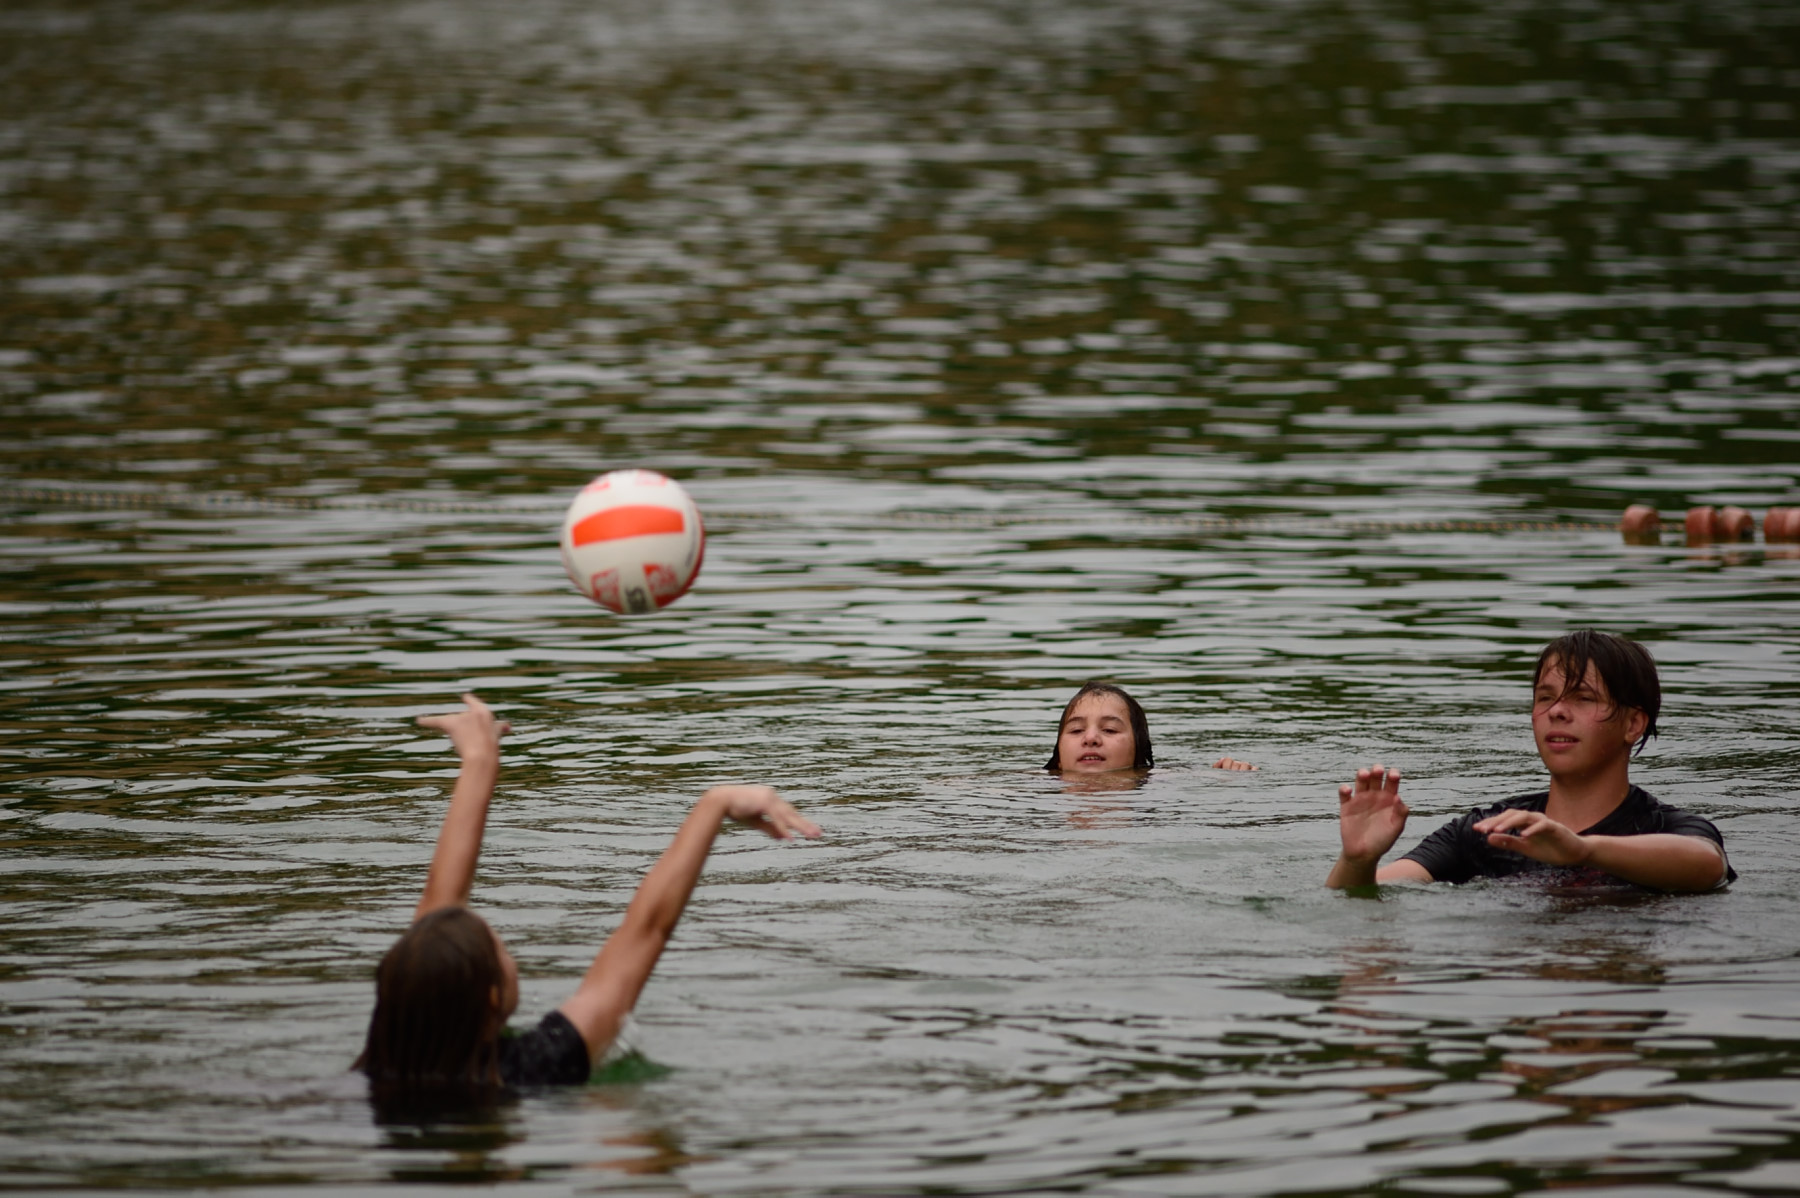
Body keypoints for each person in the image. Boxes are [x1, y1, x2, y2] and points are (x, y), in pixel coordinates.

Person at [357, 693, 821, 1100]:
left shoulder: (377, 1068)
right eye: (500, 946)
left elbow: (435, 928)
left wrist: (480, 761)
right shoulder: (533, 1070)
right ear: (493, 998)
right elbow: (647, 930)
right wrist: (714, 804)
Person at [1327, 630, 1732, 892]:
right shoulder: (1488, 831)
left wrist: (1582, 849)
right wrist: (1357, 861)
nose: (1557, 711)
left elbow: (1708, 866)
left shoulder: (1667, 828)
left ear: (1633, 724)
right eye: (1545, 697)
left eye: (1583, 698)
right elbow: (1352, 900)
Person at [1046, 681, 1255, 774]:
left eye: (1109, 730)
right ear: (1059, 759)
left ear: (1138, 750)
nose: (1090, 738)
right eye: (1076, 730)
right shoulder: (1033, 785)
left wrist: (1229, 773)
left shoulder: (1158, 780)